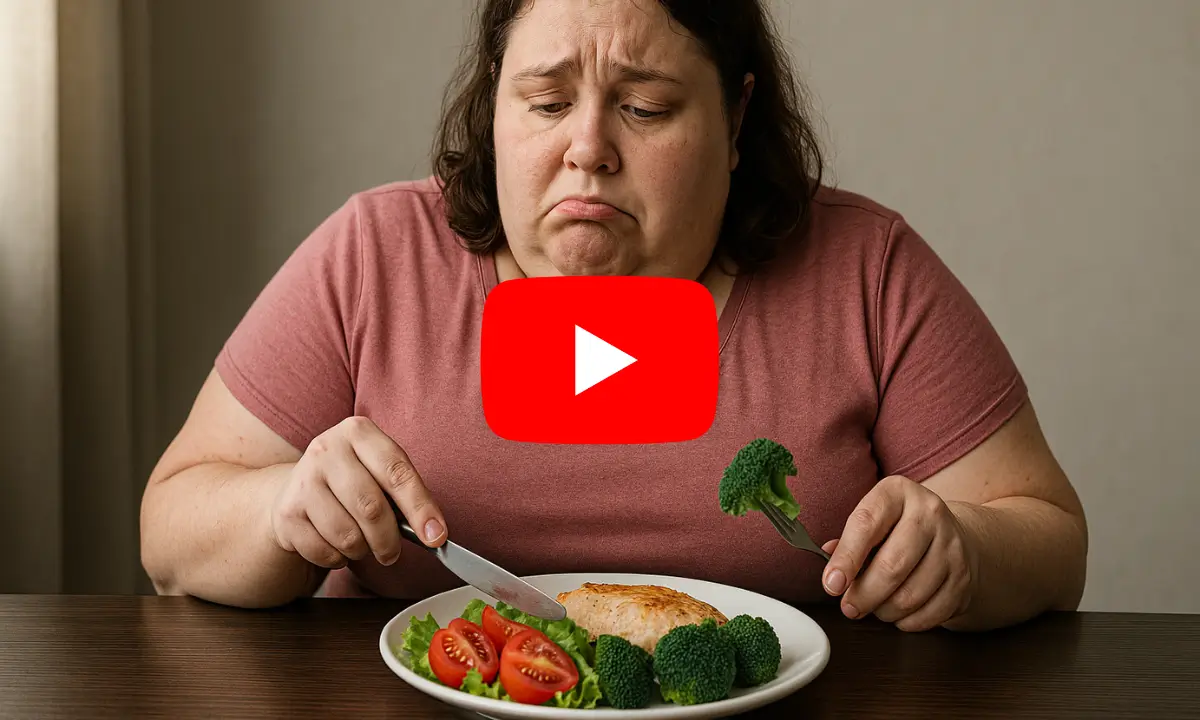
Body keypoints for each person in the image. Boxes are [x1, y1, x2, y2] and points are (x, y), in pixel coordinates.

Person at [140, 0, 1088, 633]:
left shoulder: (866, 269)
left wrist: (964, 554)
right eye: (545, 101)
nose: (585, 148)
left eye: (644, 106)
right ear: (494, 110)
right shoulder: (372, 255)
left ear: (737, 118)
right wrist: (280, 510)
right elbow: (170, 530)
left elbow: (1050, 537)